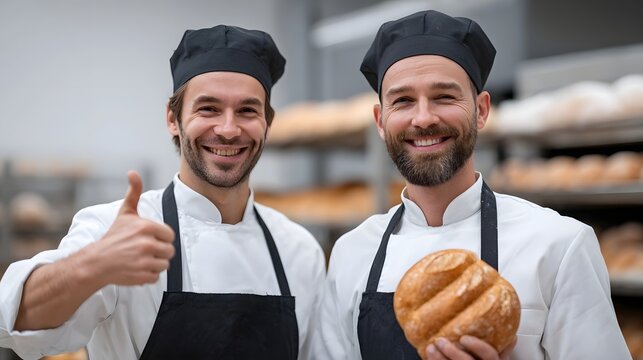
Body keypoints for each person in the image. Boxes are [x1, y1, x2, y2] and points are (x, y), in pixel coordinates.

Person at [312, 10, 631, 360]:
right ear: (381, 121)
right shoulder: (352, 254)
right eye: (403, 101)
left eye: (445, 97)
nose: (423, 118)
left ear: (481, 110)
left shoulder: (558, 245)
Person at [0, 25, 325, 359]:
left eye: (247, 110)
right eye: (208, 108)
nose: (228, 130)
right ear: (173, 118)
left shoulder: (299, 251)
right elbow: (13, 322)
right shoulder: (118, 229)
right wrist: (93, 264)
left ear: (267, 123)